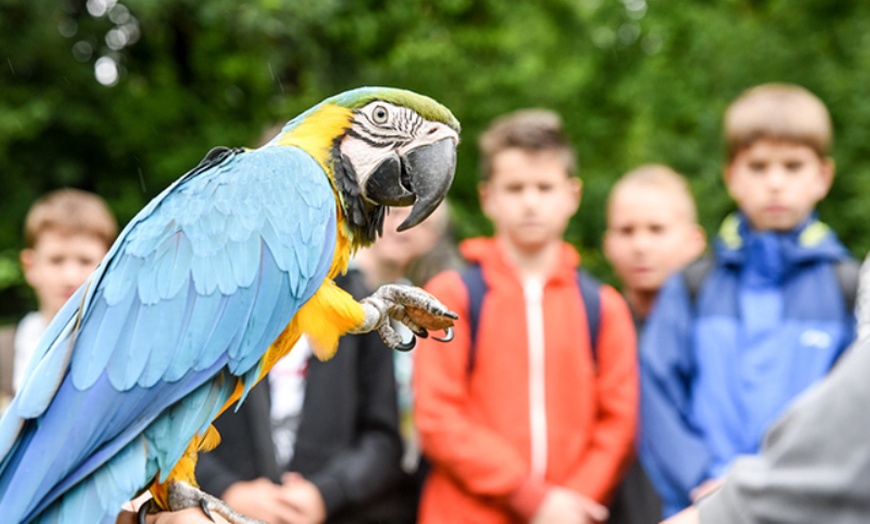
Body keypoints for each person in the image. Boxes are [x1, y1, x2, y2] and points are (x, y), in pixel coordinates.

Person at [638, 83, 858, 518]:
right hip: (702, 506)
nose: (775, 183)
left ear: (823, 177)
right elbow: (656, 395)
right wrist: (703, 480)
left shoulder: (848, 288)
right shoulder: (694, 285)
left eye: (793, 166)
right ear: (732, 175)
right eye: (758, 166)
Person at [414, 109, 638, 524]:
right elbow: (436, 416)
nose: (531, 201)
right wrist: (531, 498)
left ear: (572, 195)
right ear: (489, 198)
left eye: (545, 187)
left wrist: (570, 504)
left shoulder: (605, 306)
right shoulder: (451, 295)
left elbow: (617, 424)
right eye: (515, 188)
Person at [661, 253, 870, 524]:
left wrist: (740, 495)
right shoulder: (697, 279)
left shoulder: (841, 280)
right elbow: (660, 397)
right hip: (710, 493)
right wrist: (699, 477)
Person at [194, 268, 413, 524]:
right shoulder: (214, 305)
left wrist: (327, 493)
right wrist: (226, 490)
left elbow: (383, 438)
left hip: (336, 513)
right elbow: (166, 428)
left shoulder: (359, 306)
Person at [603, 165, 706, 524]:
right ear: (608, 243)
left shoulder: (713, 330)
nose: (641, 245)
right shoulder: (597, 325)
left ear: (694, 240)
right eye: (627, 231)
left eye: (657, 230)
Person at [0, 188, 118, 410]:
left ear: (108, 267)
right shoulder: (4, 353)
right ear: (30, 266)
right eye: (56, 260)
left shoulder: (124, 349)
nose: (70, 277)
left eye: (85, 261)